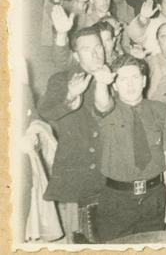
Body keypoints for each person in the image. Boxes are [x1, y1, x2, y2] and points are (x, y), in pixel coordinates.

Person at [91, 55, 166, 241]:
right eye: (123, 79)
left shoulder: (161, 111)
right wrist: (100, 83)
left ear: (144, 81)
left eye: (135, 78)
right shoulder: (108, 112)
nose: (130, 85)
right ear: (114, 85)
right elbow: (102, 103)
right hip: (117, 201)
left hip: (154, 197)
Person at [37, 27, 107, 242]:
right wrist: (70, 96)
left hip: (113, 177)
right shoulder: (62, 80)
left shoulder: (114, 75)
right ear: (76, 56)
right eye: (87, 50)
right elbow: (46, 110)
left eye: (98, 47)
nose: (96, 54)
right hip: (80, 181)